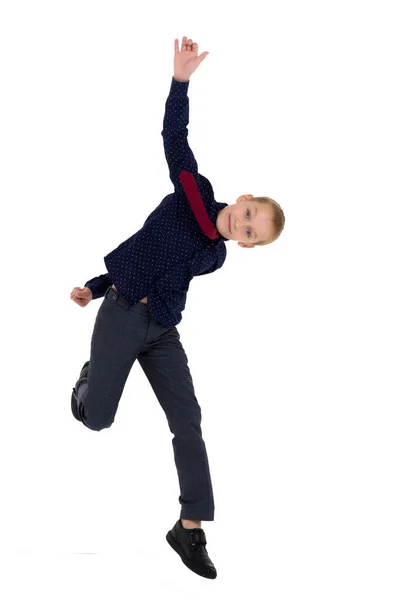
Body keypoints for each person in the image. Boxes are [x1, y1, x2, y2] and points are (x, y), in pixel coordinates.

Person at [69, 36, 285, 579]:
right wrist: (180, 82)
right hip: (121, 311)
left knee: (188, 420)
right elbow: (174, 138)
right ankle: (90, 380)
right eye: (249, 214)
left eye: (253, 234)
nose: (245, 225)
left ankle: (189, 529)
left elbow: (162, 273)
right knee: (97, 420)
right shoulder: (193, 190)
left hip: (161, 329)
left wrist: (133, 305)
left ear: (250, 246)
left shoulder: (216, 257)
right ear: (242, 199)